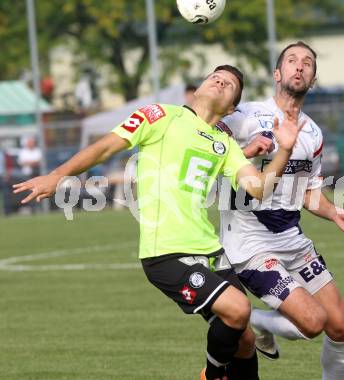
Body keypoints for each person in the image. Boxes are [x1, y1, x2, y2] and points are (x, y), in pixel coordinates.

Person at [13, 65, 305, 380]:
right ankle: (213, 373)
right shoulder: (160, 115)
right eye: (214, 77)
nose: (220, 81)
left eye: (231, 83)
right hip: (166, 252)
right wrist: (58, 176)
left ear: (233, 106)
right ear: (197, 89)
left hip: (209, 249)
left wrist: (284, 149)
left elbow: (258, 188)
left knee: (245, 340)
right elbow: (106, 146)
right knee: (238, 310)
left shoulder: (225, 144)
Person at [218, 42, 344, 380]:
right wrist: (246, 151)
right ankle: (247, 318)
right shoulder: (244, 116)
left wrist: (335, 214)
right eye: (291, 61)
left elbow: (307, 192)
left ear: (313, 79)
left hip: (293, 241)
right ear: (277, 73)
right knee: (313, 322)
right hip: (250, 245)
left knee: (342, 328)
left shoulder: (313, 133)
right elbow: (208, 152)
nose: (299, 67)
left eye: (307, 63)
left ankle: (253, 321)